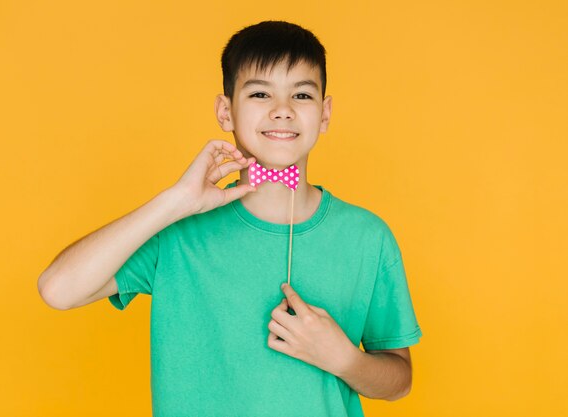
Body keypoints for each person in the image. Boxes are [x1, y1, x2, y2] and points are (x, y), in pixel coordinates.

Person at [38, 20, 423, 417]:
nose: (283, 111)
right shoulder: (177, 234)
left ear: (324, 114)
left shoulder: (367, 237)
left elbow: (399, 381)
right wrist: (174, 202)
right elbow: (57, 289)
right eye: (260, 93)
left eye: (302, 95)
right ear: (226, 112)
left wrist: (344, 359)